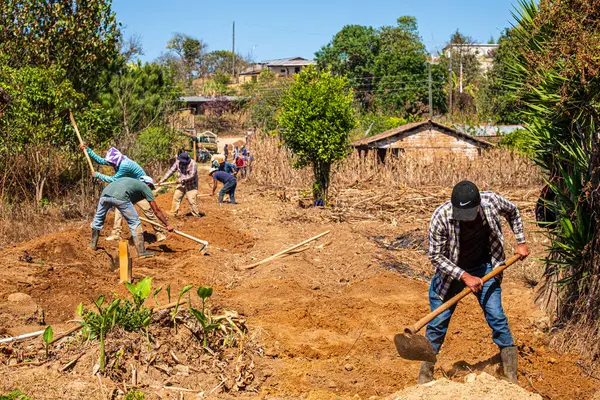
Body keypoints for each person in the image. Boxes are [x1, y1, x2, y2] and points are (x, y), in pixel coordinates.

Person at [420, 181, 529, 385]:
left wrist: (521, 241)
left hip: (486, 266)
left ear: (479, 205)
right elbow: (435, 256)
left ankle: (510, 375)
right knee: (437, 323)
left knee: (496, 315)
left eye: (470, 215)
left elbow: (513, 211)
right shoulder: (441, 217)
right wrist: (464, 276)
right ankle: (425, 377)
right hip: (451, 273)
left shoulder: (492, 202)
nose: (466, 221)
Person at [81, 144, 167, 242]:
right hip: (129, 188)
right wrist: (88, 150)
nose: (111, 165)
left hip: (140, 187)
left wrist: (98, 175)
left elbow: (114, 180)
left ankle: (159, 233)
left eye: (112, 164)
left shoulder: (124, 165)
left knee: (148, 211)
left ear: (116, 161)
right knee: (119, 207)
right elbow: (101, 161)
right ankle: (116, 234)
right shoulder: (116, 160)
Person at [90, 176, 173, 258]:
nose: (150, 190)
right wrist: (167, 225)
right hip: (120, 197)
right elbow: (156, 211)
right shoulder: (145, 187)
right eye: (151, 188)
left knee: (98, 219)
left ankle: (92, 246)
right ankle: (141, 252)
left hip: (105, 194)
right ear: (148, 184)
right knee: (135, 222)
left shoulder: (131, 183)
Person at [158, 152, 205, 218]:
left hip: (191, 185)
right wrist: (162, 180)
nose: (182, 162)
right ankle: (173, 213)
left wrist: (180, 180)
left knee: (192, 201)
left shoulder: (193, 163)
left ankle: (196, 216)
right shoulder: (178, 162)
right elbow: (171, 171)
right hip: (181, 184)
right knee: (176, 197)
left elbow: (191, 176)